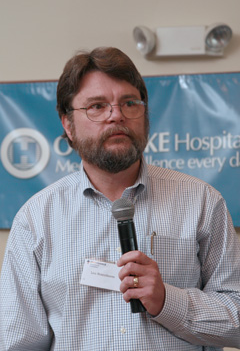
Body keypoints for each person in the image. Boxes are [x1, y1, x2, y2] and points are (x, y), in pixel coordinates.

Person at [0, 47, 240, 351]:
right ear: (67, 125)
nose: (117, 115)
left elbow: (237, 318)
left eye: (129, 103)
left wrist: (167, 300)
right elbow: (18, 343)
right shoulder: (35, 219)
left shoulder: (202, 202)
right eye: (97, 106)